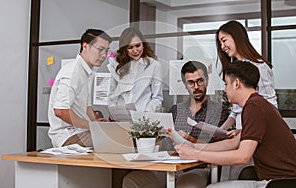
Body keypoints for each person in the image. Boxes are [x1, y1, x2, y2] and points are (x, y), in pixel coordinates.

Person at [170, 60, 296, 188]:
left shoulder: (254, 107)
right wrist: (193, 146)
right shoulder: (257, 104)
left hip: (280, 182)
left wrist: (196, 154)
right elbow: (233, 143)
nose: (225, 90)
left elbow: (243, 156)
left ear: (236, 84)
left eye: (226, 84)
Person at [122, 61, 229, 188]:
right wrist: (148, 139)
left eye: (200, 81)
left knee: (186, 186)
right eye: (191, 83)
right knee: (131, 181)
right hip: (170, 165)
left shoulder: (219, 111)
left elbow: (216, 147)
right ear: (185, 84)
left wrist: (187, 139)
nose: (196, 86)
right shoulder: (175, 110)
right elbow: (164, 142)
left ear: (207, 80)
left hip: (198, 168)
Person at [48, 29, 112, 148]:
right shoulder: (72, 72)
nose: (104, 55)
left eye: (107, 51)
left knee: (121, 137)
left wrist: (96, 124)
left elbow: (87, 108)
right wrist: (92, 126)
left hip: (82, 132)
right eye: (100, 50)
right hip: (66, 135)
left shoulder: (87, 73)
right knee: (114, 143)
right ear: (85, 46)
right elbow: (61, 111)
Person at [216, 20, 277, 131]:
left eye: (224, 41)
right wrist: (220, 131)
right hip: (243, 130)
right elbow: (235, 112)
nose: (222, 47)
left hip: (258, 129)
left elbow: (270, 103)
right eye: (220, 44)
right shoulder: (234, 69)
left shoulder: (259, 67)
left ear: (236, 37)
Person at [107, 27, 163, 112]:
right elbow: (112, 94)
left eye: (138, 45)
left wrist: (148, 111)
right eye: (130, 47)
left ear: (143, 45)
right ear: (125, 49)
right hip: (121, 117)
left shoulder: (154, 65)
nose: (135, 50)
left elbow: (157, 97)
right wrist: (113, 111)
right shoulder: (117, 65)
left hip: (143, 119)